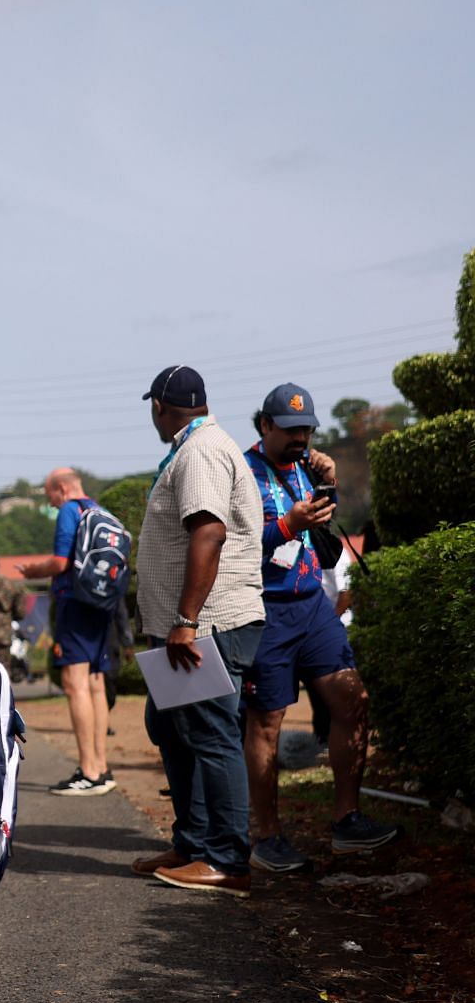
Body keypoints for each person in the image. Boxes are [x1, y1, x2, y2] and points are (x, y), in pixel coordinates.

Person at [240, 383, 399, 873]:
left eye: (306, 429)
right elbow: (236, 545)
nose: (299, 438)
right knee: (267, 723)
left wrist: (326, 487)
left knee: (353, 698)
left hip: (313, 605)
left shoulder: (308, 467)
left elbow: (324, 531)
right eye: (289, 430)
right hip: (265, 611)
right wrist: (287, 524)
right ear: (265, 425)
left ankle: (347, 821)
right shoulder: (242, 474)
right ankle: (266, 836)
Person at [128, 365, 267, 896]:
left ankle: (227, 859)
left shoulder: (201, 451)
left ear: (160, 407)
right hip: (186, 626)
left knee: (210, 735)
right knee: (169, 726)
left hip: (206, 623)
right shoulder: (197, 447)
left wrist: (186, 621)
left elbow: (207, 532)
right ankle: (192, 844)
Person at [19, 469, 114, 795]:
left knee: (76, 685)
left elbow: (60, 563)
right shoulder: (99, 510)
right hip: (102, 604)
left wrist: (33, 571)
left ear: (61, 489)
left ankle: (88, 771)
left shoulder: (70, 511)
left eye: (50, 497)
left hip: (74, 603)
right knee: (96, 683)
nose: (50, 502)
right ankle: (101, 766)